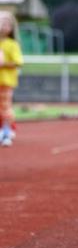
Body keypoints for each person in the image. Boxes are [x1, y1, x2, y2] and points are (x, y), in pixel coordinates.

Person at [0, 11, 24, 147]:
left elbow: (18, 62)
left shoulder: (12, 44)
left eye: (6, 24)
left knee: (5, 107)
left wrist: (4, 64)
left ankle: (7, 131)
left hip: (6, 82)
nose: (2, 26)